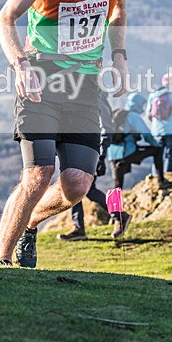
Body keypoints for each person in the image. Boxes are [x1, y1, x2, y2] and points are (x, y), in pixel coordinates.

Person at [0, 0, 137, 268]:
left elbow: (118, 10)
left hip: (85, 85)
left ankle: (30, 224)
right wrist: (20, 65)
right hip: (40, 77)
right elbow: (6, 18)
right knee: (37, 175)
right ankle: (2, 261)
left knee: (76, 185)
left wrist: (119, 57)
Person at [58, 92, 114, 241]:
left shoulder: (96, 96)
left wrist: (100, 155)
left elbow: (106, 128)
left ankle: (79, 228)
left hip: (91, 151)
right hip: (82, 149)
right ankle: (117, 215)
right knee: (84, 190)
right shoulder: (84, 96)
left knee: (80, 189)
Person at [107, 93, 169, 195]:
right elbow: (147, 135)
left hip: (113, 155)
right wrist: (157, 144)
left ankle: (113, 210)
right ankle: (161, 181)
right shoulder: (133, 116)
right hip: (127, 152)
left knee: (117, 185)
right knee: (157, 150)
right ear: (138, 104)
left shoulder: (120, 115)